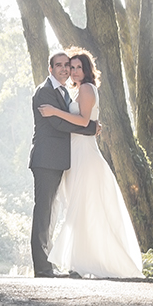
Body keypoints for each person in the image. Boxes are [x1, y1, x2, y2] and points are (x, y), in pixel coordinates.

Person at [37, 49, 143, 281]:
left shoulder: (85, 88)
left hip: (84, 155)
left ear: (86, 70)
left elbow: (84, 121)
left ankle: (82, 262)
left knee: (82, 207)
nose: (72, 71)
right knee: (80, 207)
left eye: (77, 67)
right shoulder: (74, 91)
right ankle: (80, 261)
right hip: (74, 154)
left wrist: (55, 111)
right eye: (70, 67)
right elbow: (86, 122)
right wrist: (92, 125)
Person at [28, 51, 99, 277]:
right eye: (59, 65)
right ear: (50, 69)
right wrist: (91, 128)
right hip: (46, 160)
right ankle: (42, 267)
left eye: (67, 65)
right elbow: (58, 123)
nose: (64, 69)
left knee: (53, 212)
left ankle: (50, 262)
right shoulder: (45, 92)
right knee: (44, 212)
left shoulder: (66, 92)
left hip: (60, 160)